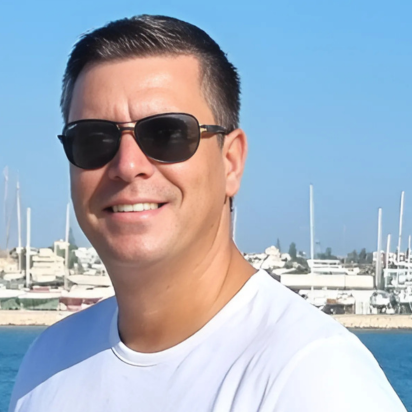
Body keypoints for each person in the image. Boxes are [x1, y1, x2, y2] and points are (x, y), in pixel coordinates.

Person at [9, 15, 406, 412]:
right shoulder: (47, 362)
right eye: (94, 139)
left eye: (166, 134)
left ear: (230, 162)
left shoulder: (313, 377)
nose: (128, 166)